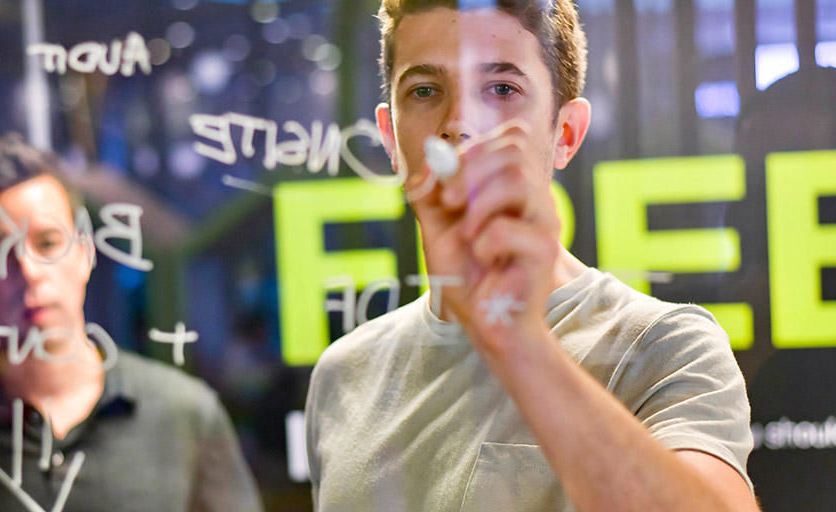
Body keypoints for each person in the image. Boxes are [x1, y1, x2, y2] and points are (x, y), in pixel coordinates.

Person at [304, 1, 758, 511]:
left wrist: (520, 346)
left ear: (565, 134)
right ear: (391, 137)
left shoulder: (664, 348)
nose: (458, 123)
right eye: (425, 91)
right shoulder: (344, 374)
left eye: (502, 89)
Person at [0, 133, 262, 512]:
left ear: (83, 254)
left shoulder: (184, 415)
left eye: (48, 243)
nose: (30, 271)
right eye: (0, 251)